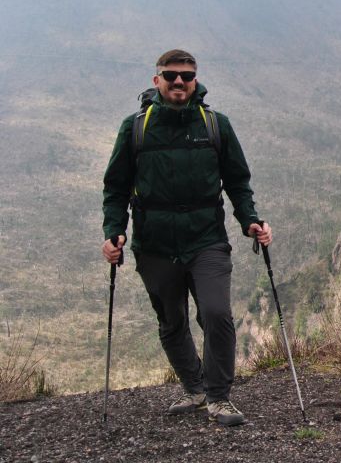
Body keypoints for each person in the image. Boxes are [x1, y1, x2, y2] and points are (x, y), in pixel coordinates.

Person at [101, 49, 272, 427]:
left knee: (216, 313)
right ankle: (194, 388)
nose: (179, 81)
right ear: (156, 80)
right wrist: (114, 231)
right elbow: (116, 187)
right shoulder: (135, 128)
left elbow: (237, 181)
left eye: (187, 75)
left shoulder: (215, 125)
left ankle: (219, 396)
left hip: (206, 239)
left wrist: (251, 220)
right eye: (171, 75)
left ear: (195, 80)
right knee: (171, 320)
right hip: (155, 245)